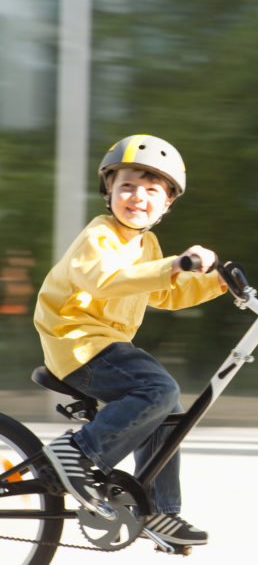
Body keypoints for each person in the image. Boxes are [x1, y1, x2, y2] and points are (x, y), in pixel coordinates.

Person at [35, 134, 225, 548]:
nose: (138, 197)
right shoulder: (99, 236)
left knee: (167, 410)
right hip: (76, 340)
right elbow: (104, 281)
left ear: (167, 203)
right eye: (127, 186)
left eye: (152, 190)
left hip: (105, 345)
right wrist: (176, 264)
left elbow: (166, 292)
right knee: (159, 388)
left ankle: (156, 511)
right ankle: (79, 453)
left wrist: (216, 283)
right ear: (109, 191)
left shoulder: (147, 245)